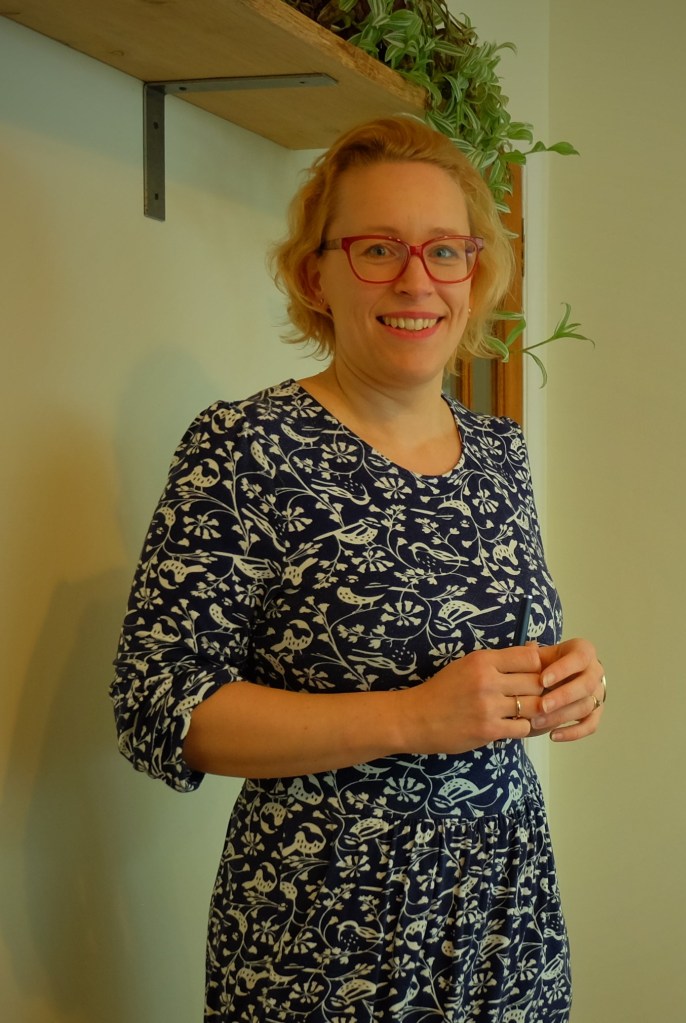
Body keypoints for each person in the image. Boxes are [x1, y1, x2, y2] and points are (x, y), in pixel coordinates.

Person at [111, 114, 606, 1023]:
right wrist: (412, 716)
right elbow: (158, 704)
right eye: (379, 249)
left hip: (505, 915)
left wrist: (568, 681)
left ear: (475, 274)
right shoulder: (246, 445)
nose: (417, 280)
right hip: (324, 932)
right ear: (317, 275)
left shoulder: (500, 452)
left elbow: (483, 664)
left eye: (445, 250)